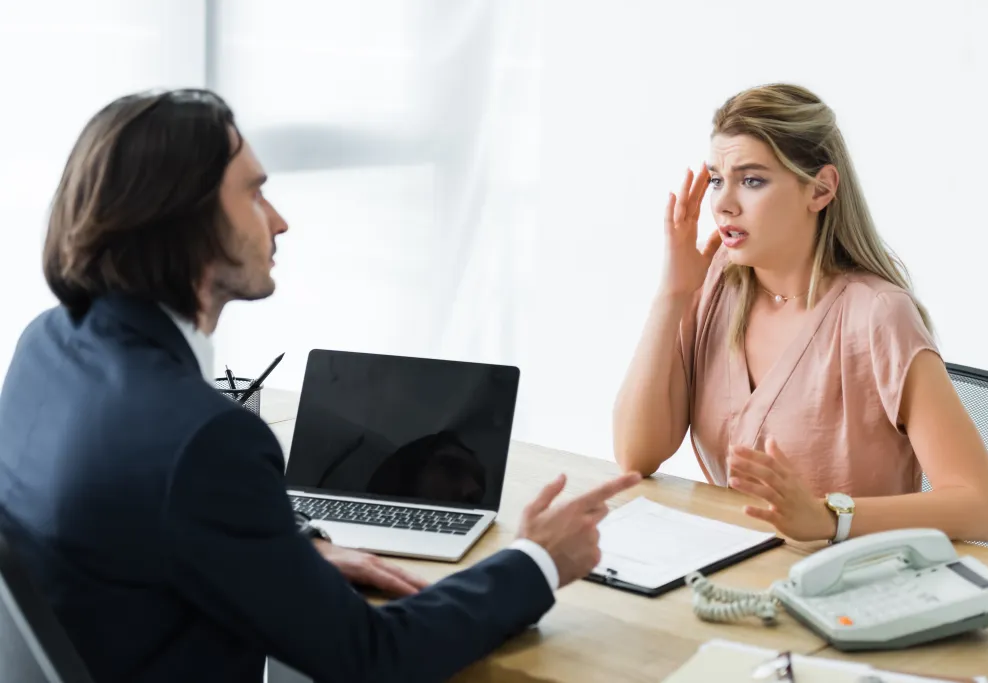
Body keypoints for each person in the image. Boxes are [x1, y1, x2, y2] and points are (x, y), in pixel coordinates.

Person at [0, 89, 640, 683]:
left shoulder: (47, 344)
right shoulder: (206, 439)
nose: (278, 222)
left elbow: (142, 523)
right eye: (254, 194)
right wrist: (538, 560)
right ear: (183, 220)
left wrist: (285, 552)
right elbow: (371, 657)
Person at [612, 83, 988, 545]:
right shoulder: (716, 285)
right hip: (737, 568)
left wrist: (830, 518)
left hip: (850, 588)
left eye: (752, 180)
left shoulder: (878, 315)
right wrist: (672, 294)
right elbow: (637, 455)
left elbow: (980, 508)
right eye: (718, 179)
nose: (722, 203)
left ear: (820, 189)